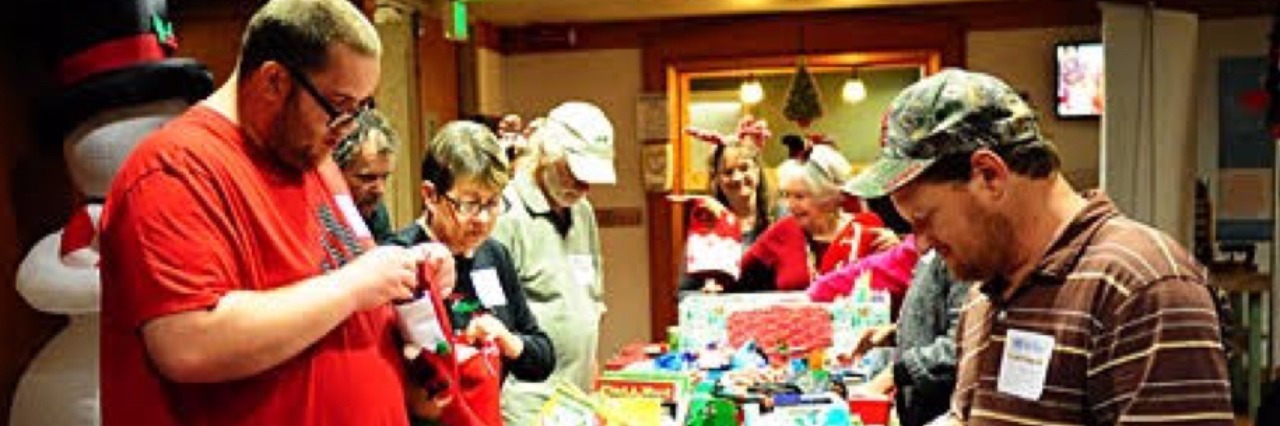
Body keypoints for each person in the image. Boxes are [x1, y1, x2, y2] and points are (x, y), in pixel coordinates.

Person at [98, 1, 455, 424]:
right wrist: (355, 286)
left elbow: (338, 280)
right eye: (339, 108)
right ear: (274, 81)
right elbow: (188, 343)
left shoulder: (310, 159)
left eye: (360, 110)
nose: (345, 130)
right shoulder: (174, 169)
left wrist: (405, 274)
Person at [846, 69, 1233, 425]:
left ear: (989, 175)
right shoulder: (986, 293)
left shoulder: (1145, 287)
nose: (923, 244)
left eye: (924, 219)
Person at [385, 120, 555, 425]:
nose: (484, 219)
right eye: (470, 204)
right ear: (430, 195)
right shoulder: (399, 258)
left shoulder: (493, 255)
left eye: (493, 202)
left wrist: (507, 340)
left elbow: (541, 359)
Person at [494, 101, 615, 425]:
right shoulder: (506, 215)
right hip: (525, 407)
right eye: (575, 171)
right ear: (545, 152)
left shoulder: (583, 211)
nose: (584, 186)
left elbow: (590, 299)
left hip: (575, 401)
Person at [735, 143, 891, 292]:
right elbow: (736, 275)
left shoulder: (866, 228)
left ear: (828, 197)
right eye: (786, 195)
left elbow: (893, 280)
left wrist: (895, 249)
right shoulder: (783, 231)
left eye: (800, 196)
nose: (790, 205)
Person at [845, 250, 970, 426]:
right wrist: (895, 333)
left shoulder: (967, 259)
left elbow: (961, 344)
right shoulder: (934, 253)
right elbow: (934, 318)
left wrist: (893, 374)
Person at [678, 115, 775, 295]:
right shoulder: (707, 222)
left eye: (744, 168)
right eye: (728, 172)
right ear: (717, 180)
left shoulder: (780, 219)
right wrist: (704, 293)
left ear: (757, 170)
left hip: (775, 320)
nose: (737, 178)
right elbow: (683, 291)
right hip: (725, 319)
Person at [334, 109, 398, 242]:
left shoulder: (376, 212)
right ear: (336, 172)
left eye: (384, 177)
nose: (380, 190)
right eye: (367, 178)